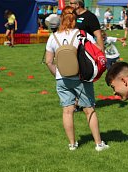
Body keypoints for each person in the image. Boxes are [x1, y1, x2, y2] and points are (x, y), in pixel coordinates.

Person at [45, 6, 109, 152]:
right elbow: (96, 50)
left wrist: (57, 74)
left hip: (62, 78)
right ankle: (99, 144)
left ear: (61, 19)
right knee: (89, 110)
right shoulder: (82, 34)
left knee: (67, 111)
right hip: (81, 77)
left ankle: (72, 144)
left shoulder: (53, 37)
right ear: (74, 19)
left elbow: (49, 61)